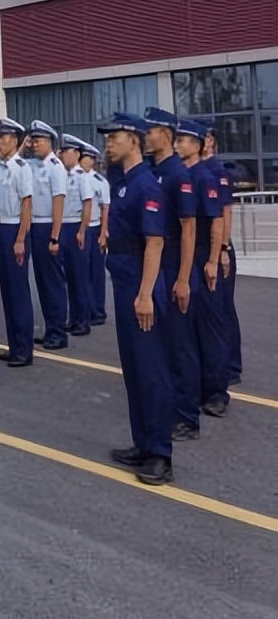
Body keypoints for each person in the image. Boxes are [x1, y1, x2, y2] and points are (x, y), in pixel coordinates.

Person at [100, 112, 173, 485]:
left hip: (141, 285)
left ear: (133, 140)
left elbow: (155, 242)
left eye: (114, 138)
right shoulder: (123, 181)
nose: (108, 143)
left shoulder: (147, 185)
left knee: (151, 370)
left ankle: (160, 453)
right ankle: (143, 443)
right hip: (124, 279)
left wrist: (145, 293)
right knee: (133, 369)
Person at [142, 107, 200, 441]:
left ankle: (187, 415)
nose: (146, 137)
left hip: (176, 264)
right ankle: (168, 406)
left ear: (165, 133)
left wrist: (182, 278)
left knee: (180, 345)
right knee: (163, 343)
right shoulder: (153, 170)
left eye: (150, 132)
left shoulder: (179, 174)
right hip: (158, 265)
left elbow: (188, 229)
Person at [176, 118, 230, 421]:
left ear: (197, 146)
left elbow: (217, 221)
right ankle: (195, 387)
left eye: (183, 140)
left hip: (201, 257)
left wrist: (213, 259)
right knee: (191, 327)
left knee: (210, 327)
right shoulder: (184, 174)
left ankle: (217, 392)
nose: (178, 144)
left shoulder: (205, 176)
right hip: (187, 255)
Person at [0, 118, 35, 368]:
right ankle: (13, 344)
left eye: (6, 138)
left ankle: (24, 349)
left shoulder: (22, 167)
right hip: (2, 226)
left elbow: (27, 204)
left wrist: (20, 238)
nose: (1, 142)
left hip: (16, 227)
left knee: (18, 291)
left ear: (15, 141)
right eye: (0, 137)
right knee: (7, 290)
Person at [204, 128, 242, 387]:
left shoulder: (217, 171)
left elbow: (225, 213)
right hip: (207, 248)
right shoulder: (194, 170)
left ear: (210, 142)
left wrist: (223, 249)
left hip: (221, 249)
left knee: (224, 310)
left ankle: (232, 366)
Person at [27, 120, 69, 350]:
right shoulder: (33, 165)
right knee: (42, 283)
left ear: (50, 142)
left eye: (39, 140)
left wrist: (55, 236)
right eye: (33, 140)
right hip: (35, 226)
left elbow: (58, 202)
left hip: (49, 227)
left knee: (53, 283)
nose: (34, 145)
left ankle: (58, 332)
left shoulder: (56, 167)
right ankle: (49, 328)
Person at [58, 134, 95, 337]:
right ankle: (73, 318)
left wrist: (82, 230)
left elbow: (87, 204)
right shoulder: (63, 174)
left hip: (76, 227)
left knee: (79, 276)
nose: (63, 154)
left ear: (76, 154)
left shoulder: (83, 176)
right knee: (69, 276)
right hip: (63, 226)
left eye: (66, 151)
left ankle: (83, 320)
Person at [80, 141, 110, 326]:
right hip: (80, 228)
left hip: (95, 227)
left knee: (96, 272)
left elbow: (105, 207)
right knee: (81, 271)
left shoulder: (99, 181)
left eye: (87, 158)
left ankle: (98, 310)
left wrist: (103, 232)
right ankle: (84, 309)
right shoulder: (73, 177)